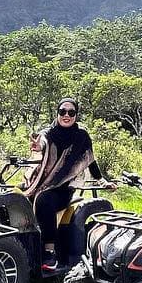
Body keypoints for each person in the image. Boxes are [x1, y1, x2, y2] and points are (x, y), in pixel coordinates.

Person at [23, 97, 110, 264]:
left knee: (44, 201)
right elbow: (42, 142)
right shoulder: (49, 133)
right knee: (17, 193)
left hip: (64, 188)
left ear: (76, 115)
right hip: (42, 182)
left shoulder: (81, 136)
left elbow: (89, 159)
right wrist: (38, 147)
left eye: (71, 112)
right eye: (63, 111)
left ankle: (49, 251)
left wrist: (101, 181)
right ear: (57, 113)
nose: (66, 115)